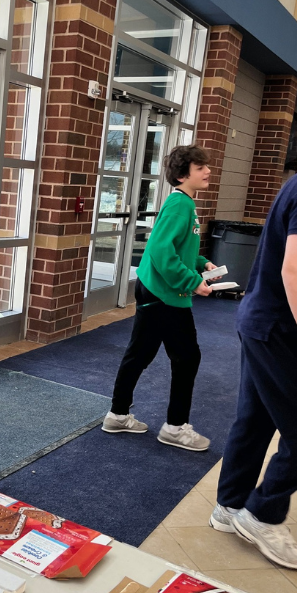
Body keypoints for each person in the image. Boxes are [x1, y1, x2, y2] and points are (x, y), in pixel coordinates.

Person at [212, 97, 297, 569]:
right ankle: (261, 514)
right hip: (277, 327)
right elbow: (294, 271)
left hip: (261, 320)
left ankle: (230, 505)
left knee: (256, 417)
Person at [102, 144, 215, 450]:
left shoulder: (183, 203)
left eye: (206, 166)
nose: (207, 171)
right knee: (187, 357)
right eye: (200, 167)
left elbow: (177, 248)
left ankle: (117, 414)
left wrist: (201, 263)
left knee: (140, 353)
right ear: (182, 174)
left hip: (158, 290)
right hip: (164, 294)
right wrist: (194, 282)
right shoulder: (180, 204)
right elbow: (162, 252)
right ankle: (175, 427)